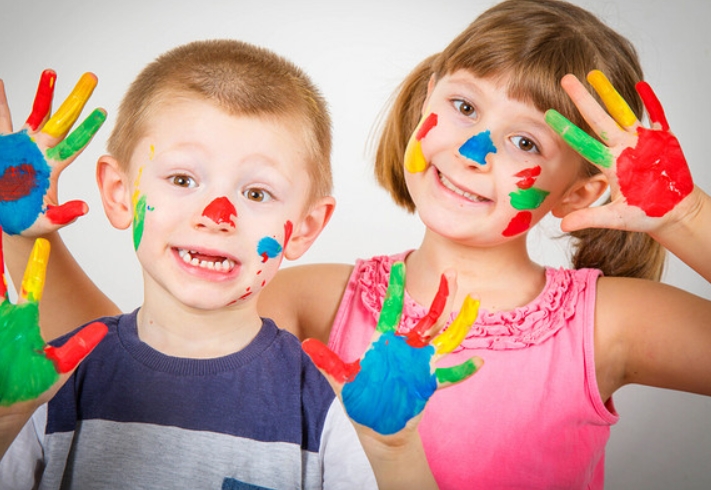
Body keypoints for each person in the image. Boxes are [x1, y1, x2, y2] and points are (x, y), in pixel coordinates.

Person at [3, 0, 711, 488]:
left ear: (582, 191)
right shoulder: (317, 295)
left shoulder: (606, 321)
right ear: (426, 96)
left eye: (523, 140)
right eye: (463, 106)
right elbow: (126, 361)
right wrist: (17, 232)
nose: (471, 149)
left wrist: (682, 215)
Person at [0, 39, 464, 489]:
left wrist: (393, 450)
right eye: (182, 178)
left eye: (257, 193)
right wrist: (5, 421)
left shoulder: (327, 402)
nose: (216, 215)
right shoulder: (48, 379)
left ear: (303, 227)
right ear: (120, 193)